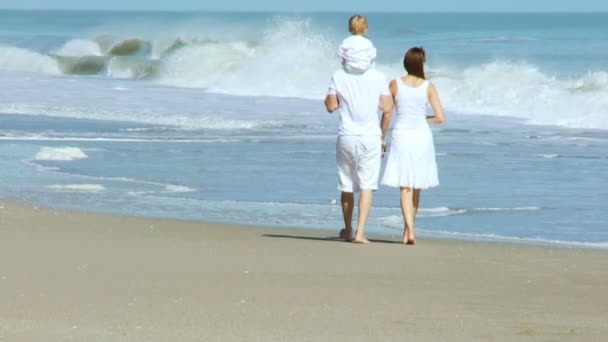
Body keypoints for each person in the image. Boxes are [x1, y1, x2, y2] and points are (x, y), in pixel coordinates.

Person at [325, 14, 393, 244]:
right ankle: (361, 233)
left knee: (346, 185)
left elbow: (331, 106)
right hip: (370, 136)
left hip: (346, 135)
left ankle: (348, 229)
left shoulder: (338, 75)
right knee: (367, 185)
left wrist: (341, 99)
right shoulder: (377, 76)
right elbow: (386, 107)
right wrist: (383, 135)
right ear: (366, 31)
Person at [381, 47, 445, 245]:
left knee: (405, 187)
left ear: (406, 63)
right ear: (421, 63)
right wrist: (424, 118)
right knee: (416, 187)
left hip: (402, 135)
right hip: (422, 136)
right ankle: (409, 230)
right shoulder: (428, 86)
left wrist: (381, 136)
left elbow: (387, 112)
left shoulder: (395, 84)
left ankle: (409, 231)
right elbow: (440, 118)